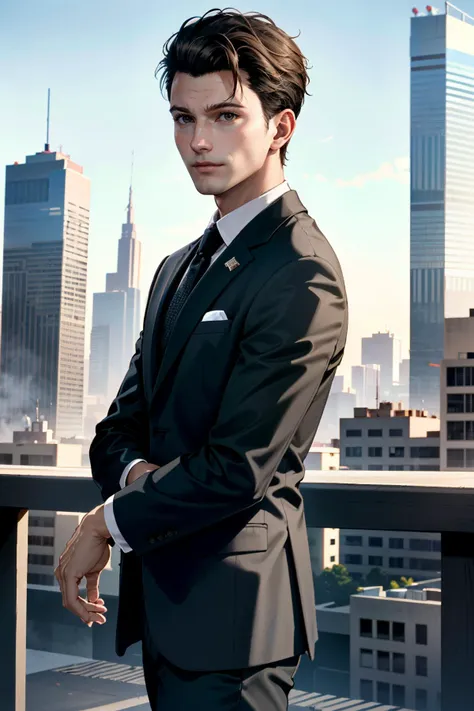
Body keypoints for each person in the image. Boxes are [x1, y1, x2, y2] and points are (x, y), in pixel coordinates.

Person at [54, 8, 348, 710]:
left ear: (281, 126)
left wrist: (108, 520)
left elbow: (237, 466)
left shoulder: (302, 273)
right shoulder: (175, 268)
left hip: (237, 631)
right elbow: (116, 429)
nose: (198, 141)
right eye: (183, 119)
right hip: (165, 610)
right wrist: (136, 472)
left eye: (224, 116)